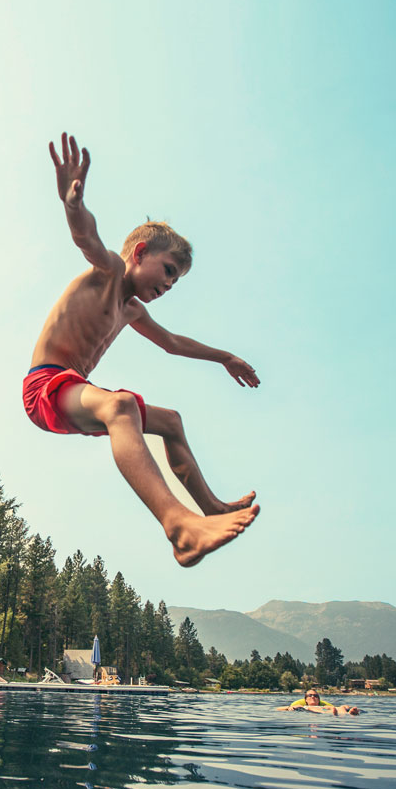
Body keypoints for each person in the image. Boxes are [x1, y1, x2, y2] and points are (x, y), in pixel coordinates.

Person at [23, 133, 261, 567]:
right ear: (140, 252)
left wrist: (224, 356)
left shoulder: (131, 309)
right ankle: (179, 527)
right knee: (121, 407)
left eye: (175, 283)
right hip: (45, 387)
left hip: (75, 388)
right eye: (167, 271)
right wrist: (72, 205)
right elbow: (86, 238)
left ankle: (209, 509)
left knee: (171, 422)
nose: (168, 285)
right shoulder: (109, 271)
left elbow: (172, 343)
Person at [276, 688, 360, 715]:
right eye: (310, 695)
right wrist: (289, 707)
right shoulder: (303, 706)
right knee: (313, 708)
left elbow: (334, 707)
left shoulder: (324, 705)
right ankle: (332, 713)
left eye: (316, 696)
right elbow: (278, 709)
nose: (313, 697)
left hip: (325, 709)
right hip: (315, 710)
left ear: (319, 699)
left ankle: (348, 713)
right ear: (305, 700)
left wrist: (346, 707)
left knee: (342, 707)